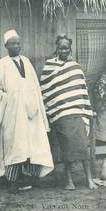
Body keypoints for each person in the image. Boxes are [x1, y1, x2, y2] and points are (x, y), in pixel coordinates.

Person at [0, 29, 54, 194]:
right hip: (13, 113)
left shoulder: (26, 62)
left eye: (18, 43)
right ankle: (12, 182)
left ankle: (31, 178)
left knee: (32, 145)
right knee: (15, 145)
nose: (16, 46)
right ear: (6, 46)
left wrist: (37, 106)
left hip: (31, 112)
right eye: (13, 43)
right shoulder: (1, 65)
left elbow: (35, 87)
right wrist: (4, 97)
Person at [40, 34, 97, 190]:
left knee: (82, 146)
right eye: (61, 47)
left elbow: (81, 89)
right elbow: (46, 89)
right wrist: (57, 106)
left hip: (77, 111)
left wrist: (84, 109)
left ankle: (89, 179)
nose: (63, 50)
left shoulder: (75, 67)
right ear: (57, 48)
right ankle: (69, 181)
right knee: (67, 149)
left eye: (66, 48)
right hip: (60, 113)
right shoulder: (49, 66)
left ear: (70, 49)